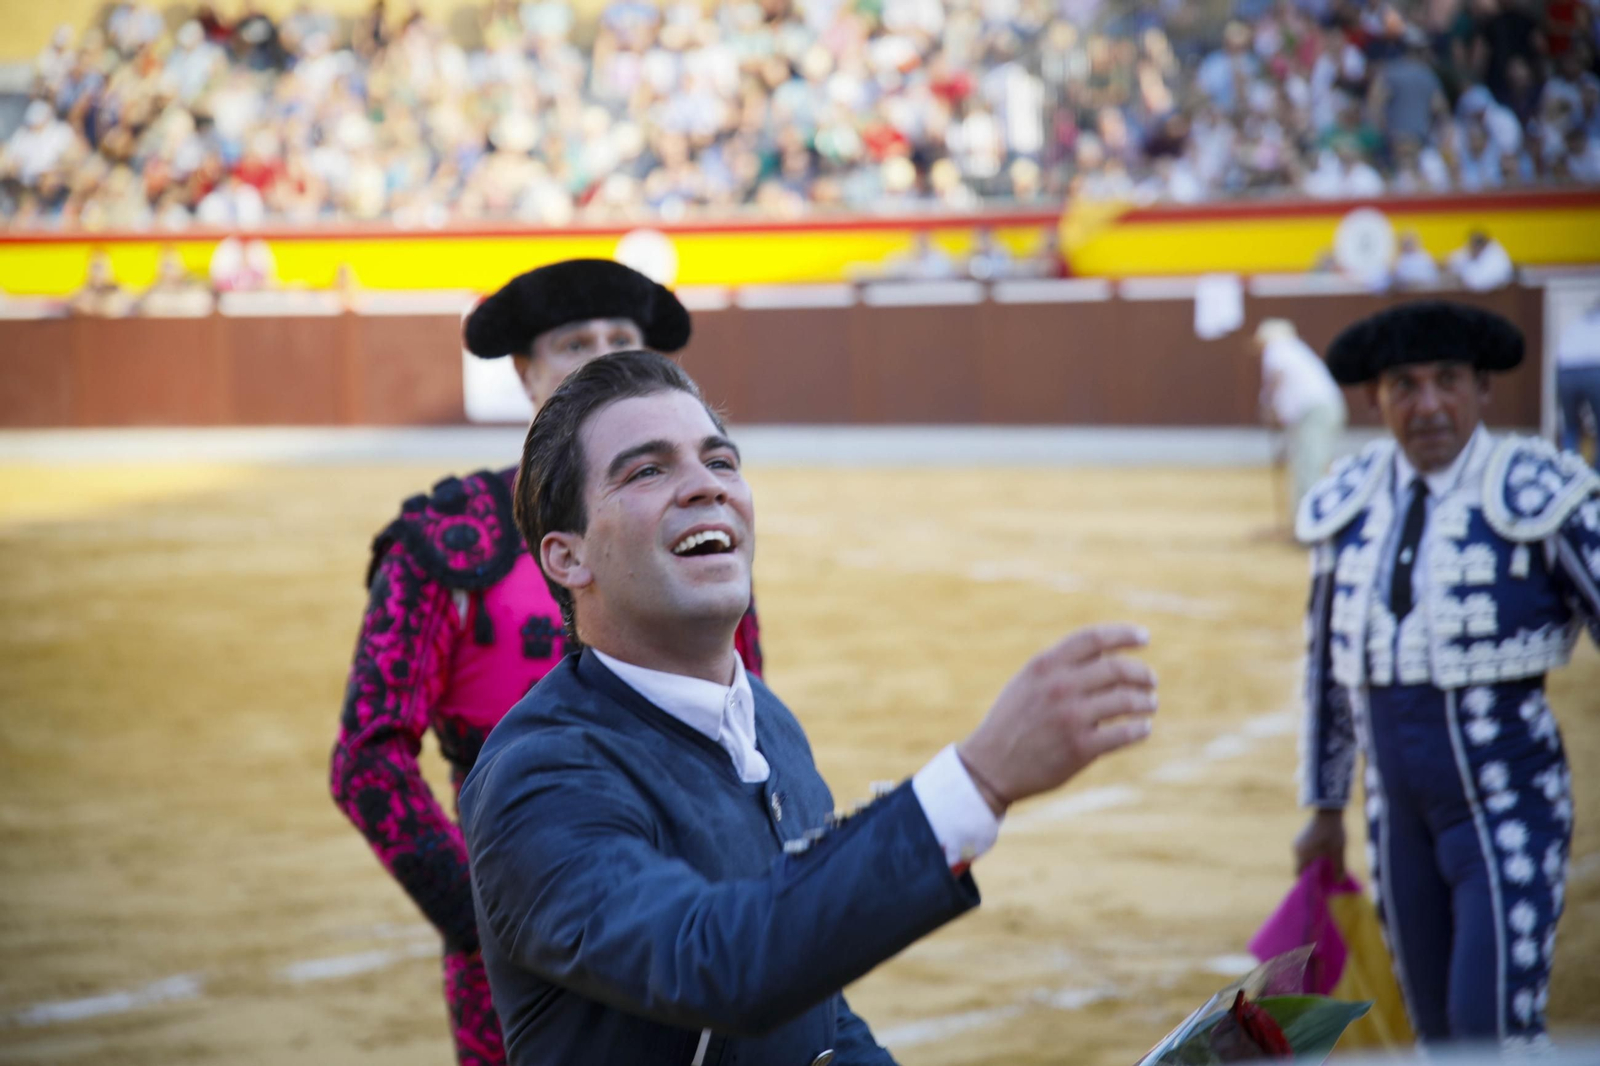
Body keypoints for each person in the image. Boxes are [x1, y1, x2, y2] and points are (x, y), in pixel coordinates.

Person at [460, 351, 1159, 1064]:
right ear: (567, 558)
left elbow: (815, 1011)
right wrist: (976, 781)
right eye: (647, 470)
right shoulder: (540, 778)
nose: (705, 487)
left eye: (721, 462)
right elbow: (719, 964)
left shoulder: (769, 724)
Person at [330, 260, 765, 1066]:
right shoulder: (445, 537)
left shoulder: (693, 530)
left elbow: (748, 728)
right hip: (522, 949)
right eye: (574, 344)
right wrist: (486, 915)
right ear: (526, 374)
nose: (601, 359)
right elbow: (367, 758)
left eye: (620, 342)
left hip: (698, 923)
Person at [1292, 301, 1599, 1049]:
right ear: (1376, 398)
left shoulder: (1539, 493)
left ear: (1483, 389)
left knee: (1487, 1028)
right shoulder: (1351, 501)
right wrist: (1326, 809)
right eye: (1404, 385)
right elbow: (1328, 673)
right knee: (1433, 1034)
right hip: (1394, 822)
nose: (1428, 405)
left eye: (1448, 381)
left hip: (1508, 810)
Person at [1255, 319, 1348, 517]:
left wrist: (1268, 404)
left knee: (1309, 466)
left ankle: (1310, 520)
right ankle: (1307, 518)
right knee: (1310, 463)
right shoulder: (1295, 349)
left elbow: (1277, 377)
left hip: (1315, 412)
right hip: (1322, 409)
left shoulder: (1277, 349)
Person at [1555, 296, 1600, 470]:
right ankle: (1597, 475)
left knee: (1571, 426)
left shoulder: (1577, 323)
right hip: (1594, 368)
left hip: (1565, 370)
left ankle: (1568, 469)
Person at [1447, 229, 1515, 291]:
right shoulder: (1471, 251)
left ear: (1481, 245)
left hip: (1495, 297)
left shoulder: (1497, 258)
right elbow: (1452, 260)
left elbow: (1477, 284)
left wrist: (1462, 277)